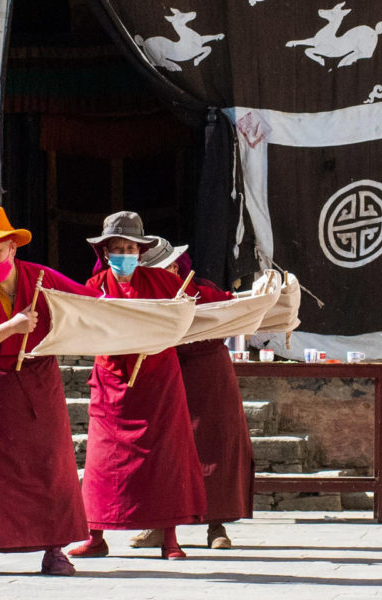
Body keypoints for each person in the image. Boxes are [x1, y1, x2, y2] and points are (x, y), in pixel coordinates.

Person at [0, 206, 90, 576]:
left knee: (50, 466)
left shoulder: (40, 278)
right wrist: (10, 327)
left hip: (37, 384)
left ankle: (55, 549)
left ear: (12, 246)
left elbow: (86, 302)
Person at [67, 212, 206, 561]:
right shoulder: (94, 286)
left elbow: (198, 303)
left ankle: (170, 539)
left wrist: (243, 301)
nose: (124, 254)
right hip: (112, 385)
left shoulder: (162, 282)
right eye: (117, 249)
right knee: (102, 464)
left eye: (130, 249)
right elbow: (81, 324)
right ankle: (95, 536)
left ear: (140, 252)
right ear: (105, 252)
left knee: (166, 460)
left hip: (158, 384)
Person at [131, 237, 254, 550]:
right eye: (156, 271)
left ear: (177, 266)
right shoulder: (144, 298)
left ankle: (217, 526)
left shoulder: (203, 291)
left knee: (214, 447)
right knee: (162, 450)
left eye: (169, 267)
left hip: (208, 374)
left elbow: (233, 311)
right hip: (163, 371)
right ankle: (160, 526)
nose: (167, 273)